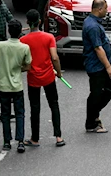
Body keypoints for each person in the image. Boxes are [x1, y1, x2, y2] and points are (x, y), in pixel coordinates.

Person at [20, 9, 65, 147]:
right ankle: (58, 137)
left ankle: (35, 138)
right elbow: (55, 57)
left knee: (35, 107)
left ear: (27, 22)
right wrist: (58, 72)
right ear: (40, 21)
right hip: (48, 76)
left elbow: (22, 61)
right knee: (54, 104)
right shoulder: (49, 37)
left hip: (33, 78)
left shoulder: (23, 40)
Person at [0, 20, 31, 153]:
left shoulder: (0, 45)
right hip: (17, 86)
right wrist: (18, 69)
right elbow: (28, 66)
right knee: (20, 113)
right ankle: (20, 141)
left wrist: (2, 66)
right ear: (20, 32)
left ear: (9, 31)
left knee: (5, 114)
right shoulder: (24, 47)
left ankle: (6, 142)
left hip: (3, 86)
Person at [83, 0, 111, 133]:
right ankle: (91, 121)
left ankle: (94, 115)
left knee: (109, 89)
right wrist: (108, 66)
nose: (107, 11)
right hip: (96, 66)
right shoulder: (93, 26)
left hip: (99, 65)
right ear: (99, 9)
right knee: (96, 93)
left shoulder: (93, 22)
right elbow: (98, 48)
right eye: (106, 9)